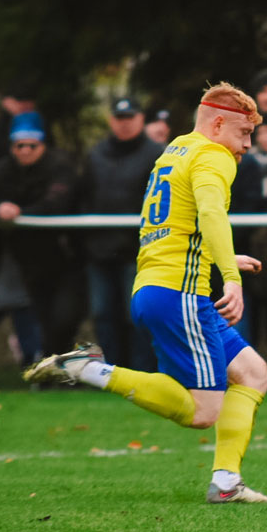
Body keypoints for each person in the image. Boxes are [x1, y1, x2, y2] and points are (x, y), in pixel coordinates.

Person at [23, 82, 267, 504]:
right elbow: (212, 213)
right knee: (202, 412)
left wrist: (224, 257)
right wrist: (230, 275)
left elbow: (183, 221)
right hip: (180, 294)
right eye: (243, 133)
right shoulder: (214, 155)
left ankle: (227, 484)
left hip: (158, 287)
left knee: (253, 373)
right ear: (217, 123)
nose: (247, 145)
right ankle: (92, 369)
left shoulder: (177, 148)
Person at [0, 111, 82, 364]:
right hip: (26, 261)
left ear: (42, 144)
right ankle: (47, 372)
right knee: (40, 319)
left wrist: (20, 213)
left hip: (66, 257)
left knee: (64, 318)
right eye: (19, 145)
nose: (24, 151)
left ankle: (64, 369)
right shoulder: (3, 169)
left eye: (31, 145)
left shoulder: (60, 166)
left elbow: (57, 203)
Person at [80, 97, 164, 372]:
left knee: (136, 315)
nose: (125, 123)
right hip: (100, 249)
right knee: (103, 313)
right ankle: (110, 373)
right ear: (111, 120)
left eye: (130, 117)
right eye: (120, 118)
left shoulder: (157, 153)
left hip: (138, 250)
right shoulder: (96, 154)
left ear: (141, 119)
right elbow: (84, 196)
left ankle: (141, 373)